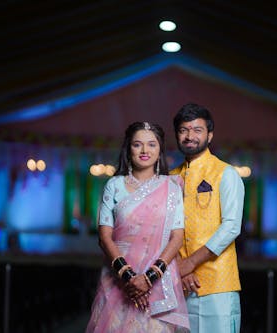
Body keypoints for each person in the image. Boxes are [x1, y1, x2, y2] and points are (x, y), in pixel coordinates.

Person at [85, 121, 189, 333]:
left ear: (159, 149)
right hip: (117, 277)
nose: (144, 150)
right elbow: (105, 237)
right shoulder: (114, 185)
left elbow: (177, 237)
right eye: (137, 144)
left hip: (159, 281)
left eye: (151, 144)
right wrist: (128, 277)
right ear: (128, 148)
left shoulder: (172, 187)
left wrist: (149, 278)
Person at [171, 103, 245, 333]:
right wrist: (179, 270)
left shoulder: (226, 174)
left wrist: (190, 263)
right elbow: (164, 231)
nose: (189, 135)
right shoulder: (170, 178)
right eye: (183, 130)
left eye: (197, 129)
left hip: (218, 284)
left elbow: (231, 227)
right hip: (179, 285)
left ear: (210, 135)